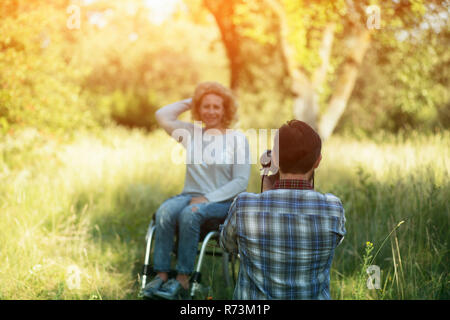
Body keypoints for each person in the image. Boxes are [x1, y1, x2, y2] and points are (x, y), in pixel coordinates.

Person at [143, 82, 251, 300]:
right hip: (189, 196)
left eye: (216, 107)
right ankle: (161, 276)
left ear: (225, 110)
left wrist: (207, 198)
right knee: (164, 212)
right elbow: (162, 115)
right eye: (206, 106)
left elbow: (241, 181)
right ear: (199, 109)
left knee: (189, 214)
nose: (211, 111)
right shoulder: (191, 133)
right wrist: (195, 99)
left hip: (222, 202)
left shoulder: (237, 139)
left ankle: (182, 280)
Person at [220, 119, 346, 299]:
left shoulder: (243, 206)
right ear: (318, 161)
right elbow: (333, 243)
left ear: (275, 160)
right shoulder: (333, 208)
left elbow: (228, 245)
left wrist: (266, 188)